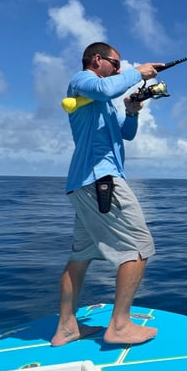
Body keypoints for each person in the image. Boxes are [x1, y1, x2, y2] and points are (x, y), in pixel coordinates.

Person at [51, 42, 164, 347]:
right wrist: (136, 72)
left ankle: (66, 329)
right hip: (101, 181)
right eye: (116, 64)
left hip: (83, 185)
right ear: (98, 60)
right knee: (139, 248)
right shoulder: (83, 81)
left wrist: (132, 112)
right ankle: (120, 326)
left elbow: (124, 135)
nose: (118, 68)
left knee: (80, 256)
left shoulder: (99, 100)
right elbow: (105, 89)